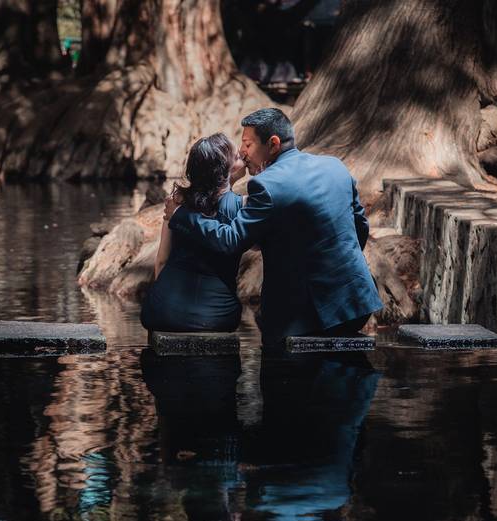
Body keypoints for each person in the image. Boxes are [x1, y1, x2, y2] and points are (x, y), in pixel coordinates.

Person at [166, 108, 383, 348]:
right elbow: (360, 228)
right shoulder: (335, 167)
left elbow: (230, 240)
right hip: (357, 305)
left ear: (273, 144)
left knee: (269, 341)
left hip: (303, 318)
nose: (242, 152)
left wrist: (180, 216)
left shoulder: (265, 185)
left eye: (247, 144)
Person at [141, 134, 245, 333]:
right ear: (225, 169)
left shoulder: (176, 202)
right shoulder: (241, 207)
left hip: (159, 312)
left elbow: (161, 260)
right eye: (238, 157)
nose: (243, 158)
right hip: (217, 317)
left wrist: (168, 304)